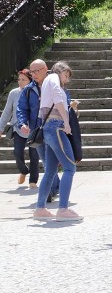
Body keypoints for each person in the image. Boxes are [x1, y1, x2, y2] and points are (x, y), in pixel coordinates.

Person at [33, 61, 81, 221]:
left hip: (48, 128)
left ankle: (40, 208)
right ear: (60, 71)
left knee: (51, 171)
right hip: (56, 127)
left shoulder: (47, 80)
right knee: (69, 168)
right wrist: (66, 122)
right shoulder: (53, 77)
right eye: (66, 75)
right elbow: (57, 99)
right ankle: (63, 209)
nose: (66, 80)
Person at [16, 59, 60, 198]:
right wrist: (23, 123)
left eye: (37, 71)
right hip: (37, 132)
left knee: (50, 161)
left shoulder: (55, 85)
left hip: (54, 129)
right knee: (47, 161)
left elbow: (64, 101)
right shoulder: (28, 90)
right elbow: (21, 109)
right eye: (32, 71)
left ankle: (51, 190)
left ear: (45, 68)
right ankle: (53, 188)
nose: (34, 74)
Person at [1, 69, 40, 187]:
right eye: (19, 79)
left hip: (34, 129)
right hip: (18, 128)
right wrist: (0, 127)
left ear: (30, 80)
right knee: (17, 153)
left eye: (23, 80)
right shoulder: (14, 93)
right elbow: (7, 112)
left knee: (34, 155)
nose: (20, 82)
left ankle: (33, 180)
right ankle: (23, 171)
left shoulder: (36, 92)